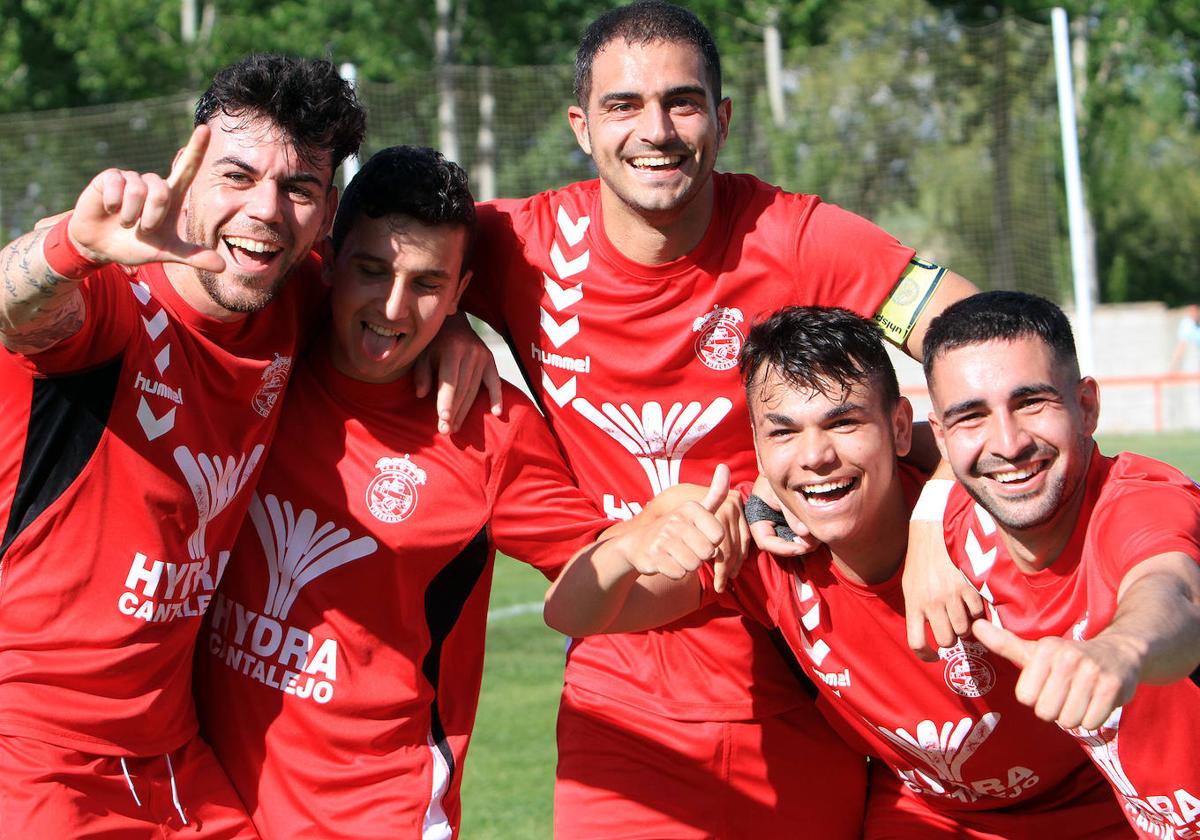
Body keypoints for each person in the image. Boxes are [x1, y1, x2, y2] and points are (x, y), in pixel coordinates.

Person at [462, 1, 978, 835]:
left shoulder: (799, 235)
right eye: (623, 106)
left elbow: (991, 343)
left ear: (723, 118)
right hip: (622, 698)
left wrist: (931, 518)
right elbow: (367, 278)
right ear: (580, 126)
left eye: (683, 101)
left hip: (810, 694)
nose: (655, 130)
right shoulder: (515, 245)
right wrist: (447, 330)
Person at [544, 306, 1132, 839]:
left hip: (1095, 804)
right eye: (784, 431)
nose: (816, 455)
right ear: (755, 442)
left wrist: (932, 521)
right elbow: (573, 614)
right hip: (931, 817)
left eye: (844, 423)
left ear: (901, 428)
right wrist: (626, 545)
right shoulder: (763, 544)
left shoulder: (996, 514)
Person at [194, 145, 614, 839]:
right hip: (205, 799)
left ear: (460, 291)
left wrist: (684, 525)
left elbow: (597, 563)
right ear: (327, 258)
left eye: (427, 284)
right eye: (371, 270)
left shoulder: (488, 426)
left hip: (375, 817)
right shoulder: (265, 343)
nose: (391, 307)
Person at [0, 54, 366, 836]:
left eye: (297, 188)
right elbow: (15, 307)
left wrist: (453, 341)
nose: (266, 209)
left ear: (325, 211)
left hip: (172, 758)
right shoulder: (111, 295)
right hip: (34, 755)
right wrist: (72, 244)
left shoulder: (295, 302)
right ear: (187, 170)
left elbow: (400, 289)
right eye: (237, 175)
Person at [924, 291, 1200, 838]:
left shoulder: (1139, 501)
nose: (1008, 443)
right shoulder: (962, 519)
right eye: (971, 416)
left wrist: (1120, 648)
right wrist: (922, 529)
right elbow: (854, 450)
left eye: (1031, 402)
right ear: (941, 436)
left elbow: (1175, 590)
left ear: (1087, 407)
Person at [1168, 303, 1200, 372]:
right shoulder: (1187, 324)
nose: (1194, 314)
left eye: (1195, 311)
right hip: (1192, 363)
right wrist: (1172, 367)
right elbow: (1181, 346)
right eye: (1191, 312)